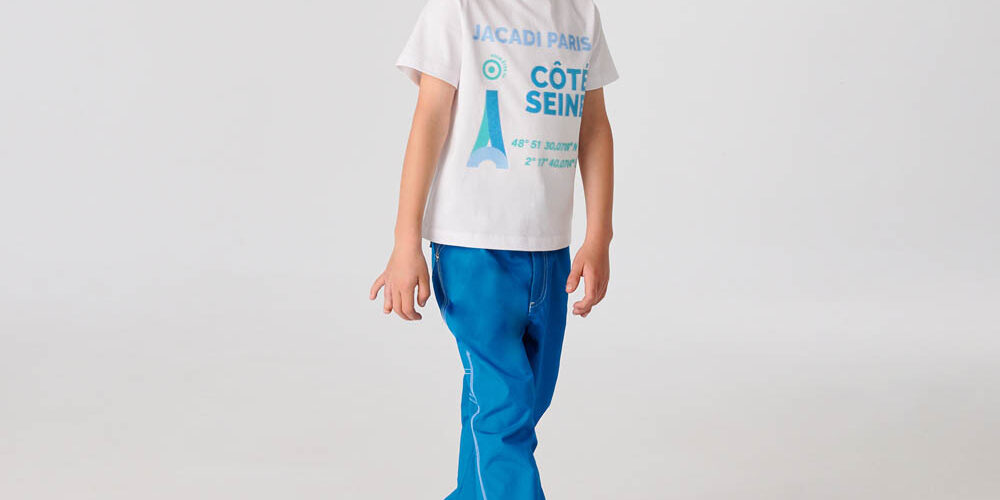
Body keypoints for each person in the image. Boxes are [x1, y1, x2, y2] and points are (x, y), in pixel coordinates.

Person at [370, 0, 618, 498]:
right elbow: (429, 118)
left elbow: (593, 127)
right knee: (503, 413)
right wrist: (405, 241)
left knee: (519, 405)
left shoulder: (580, 13)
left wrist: (599, 237)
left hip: (550, 252)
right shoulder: (458, 8)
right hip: (473, 248)